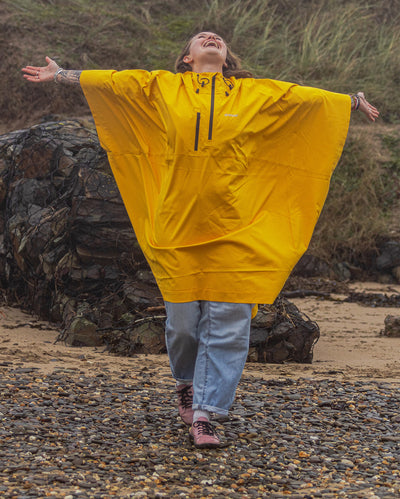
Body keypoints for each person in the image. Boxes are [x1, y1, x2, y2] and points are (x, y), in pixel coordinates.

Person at [22, 32, 379, 449]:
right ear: (187, 58)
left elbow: (303, 100)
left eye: (218, 39)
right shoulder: (164, 87)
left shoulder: (252, 93)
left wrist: (349, 101)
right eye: (201, 38)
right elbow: (115, 83)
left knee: (229, 324)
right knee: (184, 326)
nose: (212, 38)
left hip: (236, 227)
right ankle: (187, 384)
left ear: (225, 57)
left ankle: (207, 413)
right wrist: (61, 74)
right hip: (178, 226)